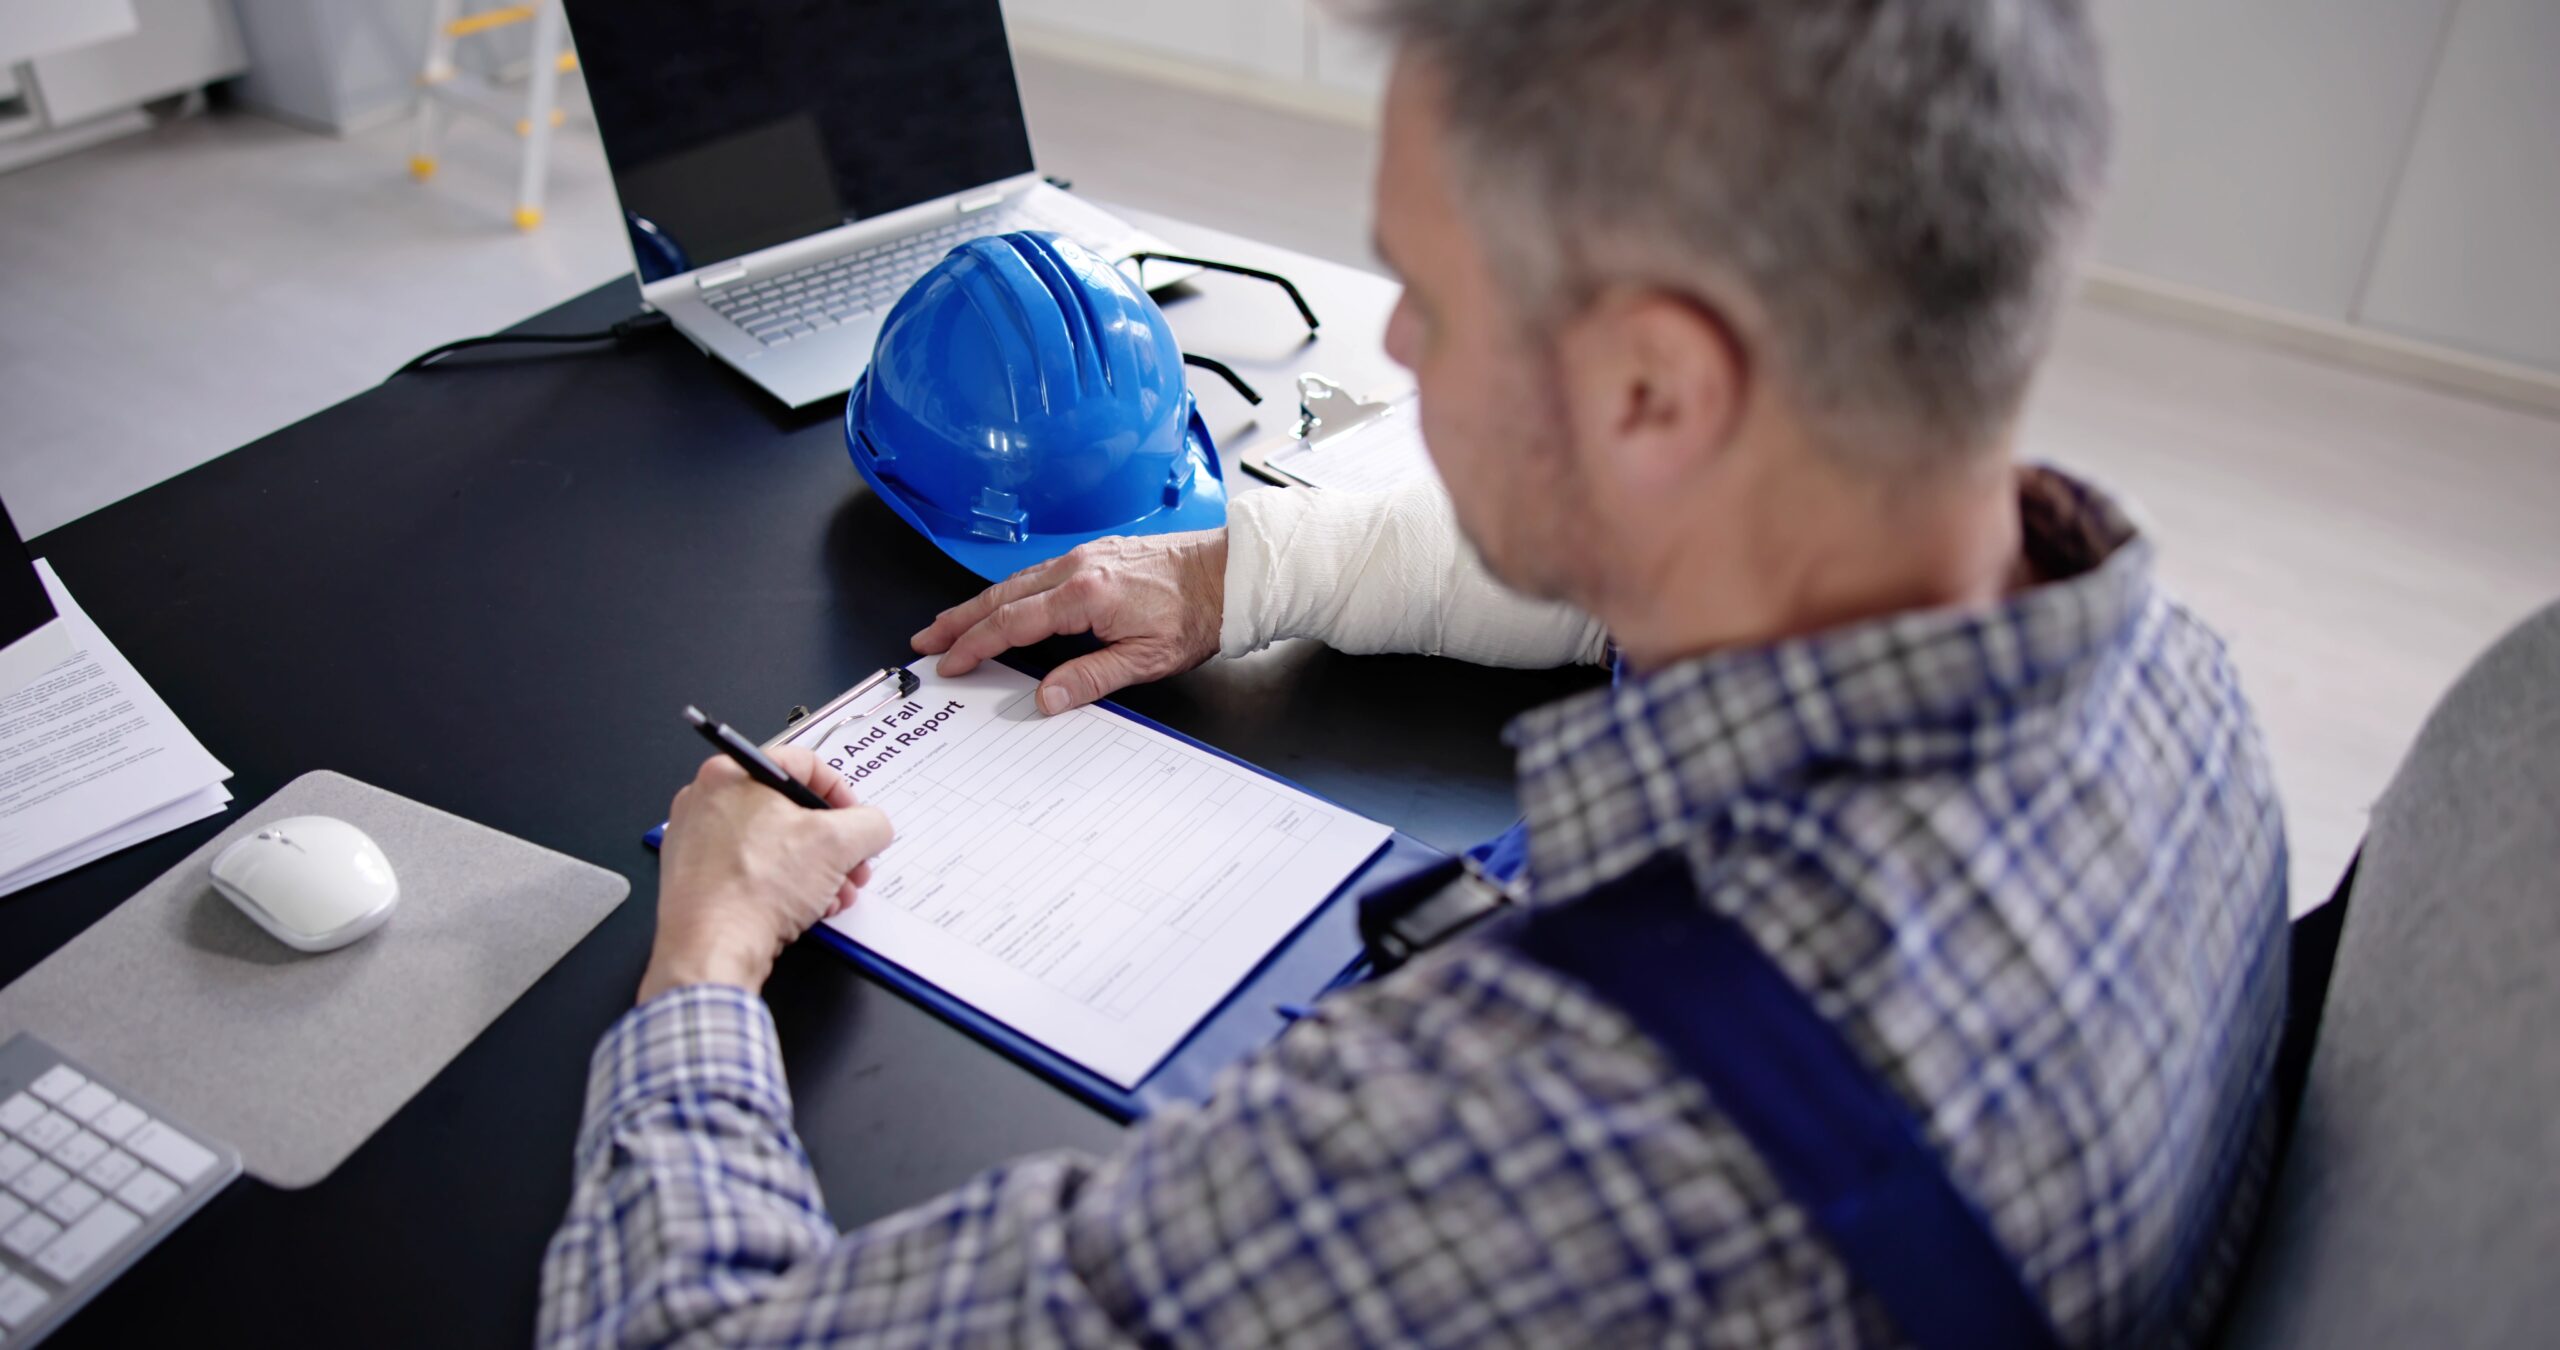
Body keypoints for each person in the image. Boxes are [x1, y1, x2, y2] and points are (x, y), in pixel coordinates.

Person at [539, 0, 2290, 1344]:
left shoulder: (1535, 1135)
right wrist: (1258, 567)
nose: (1393, 348)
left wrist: (706, 959)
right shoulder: (2175, 684)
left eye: (1429, 301)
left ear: (1657, 394)